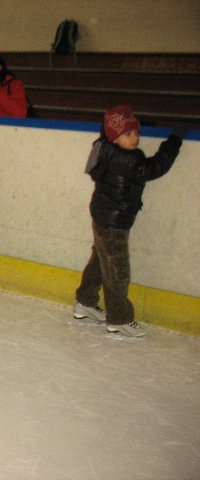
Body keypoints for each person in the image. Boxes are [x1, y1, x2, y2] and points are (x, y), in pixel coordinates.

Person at [73, 104, 184, 337]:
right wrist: (173, 142)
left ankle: (86, 302)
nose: (135, 138)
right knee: (118, 271)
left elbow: (108, 133)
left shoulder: (102, 147)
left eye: (137, 132)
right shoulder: (129, 159)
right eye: (128, 134)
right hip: (115, 222)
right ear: (115, 137)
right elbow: (155, 167)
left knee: (100, 260)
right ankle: (120, 318)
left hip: (102, 214)